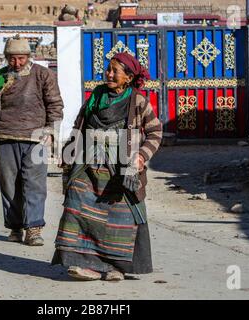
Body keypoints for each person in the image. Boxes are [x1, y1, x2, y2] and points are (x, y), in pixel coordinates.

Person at [52, 52, 162, 281]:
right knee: (76, 198)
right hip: (89, 163)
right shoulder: (96, 96)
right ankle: (82, 262)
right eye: (108, 69)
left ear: (129, 78)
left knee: (118, 215)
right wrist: (69, 149)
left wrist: (141, 156)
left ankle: (115, 268)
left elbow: (154, 132)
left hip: (121, 168)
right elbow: (80, 125)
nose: (109, 74)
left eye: (115, 71)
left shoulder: (137, 101)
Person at [0, 37, 64, 246]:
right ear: (6, 58)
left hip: (37, 138)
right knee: (9, 185)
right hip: (5, 136)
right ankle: (16, 227)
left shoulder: (43, 75)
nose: (16, 63)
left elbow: (54, 104)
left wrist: (51, 131)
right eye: (12, 59)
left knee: (35, 184)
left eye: (21, 58)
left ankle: (34, 228)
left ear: (28, 57)